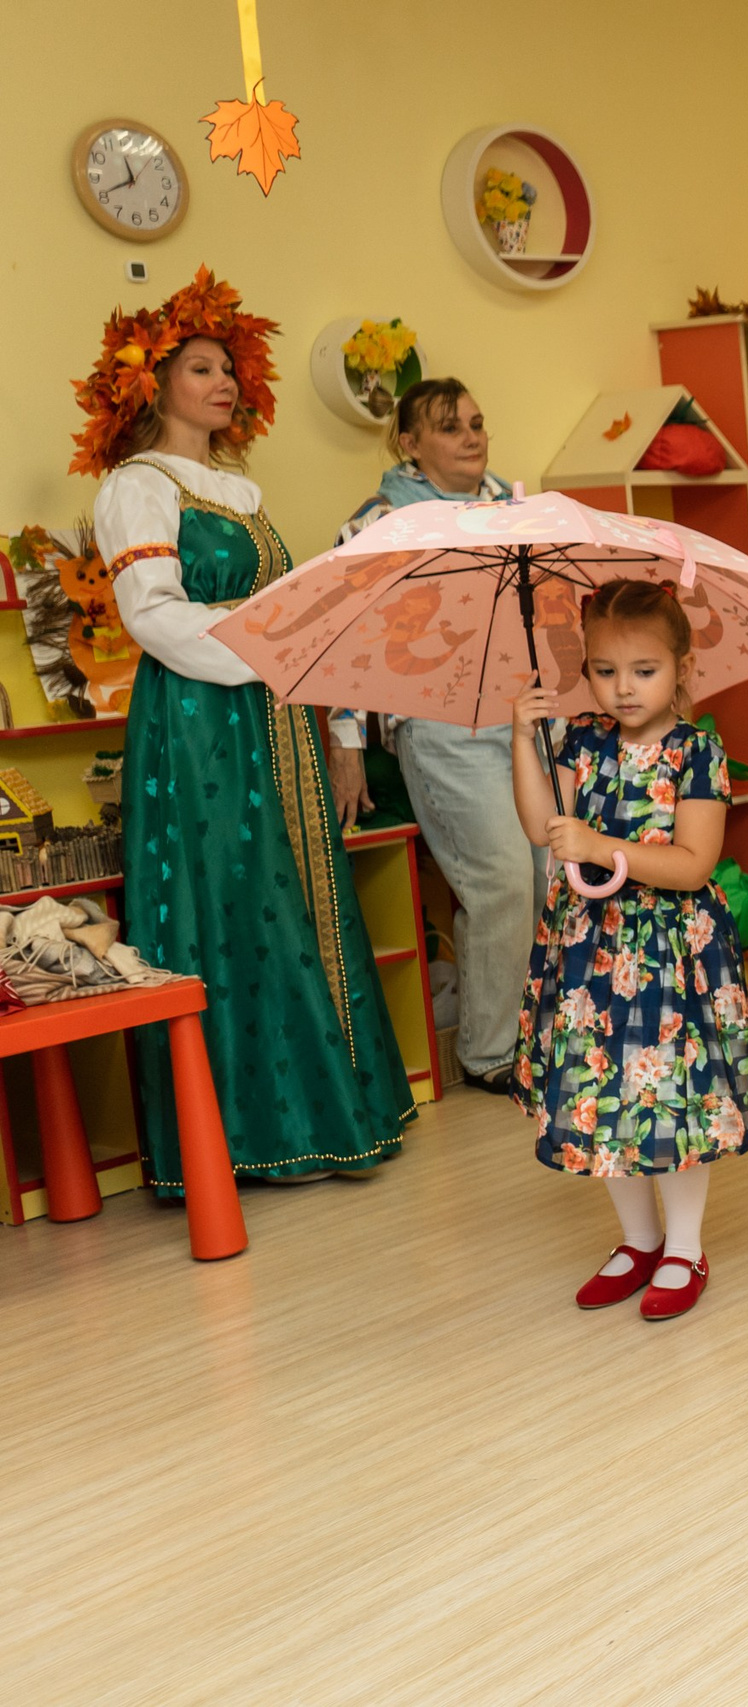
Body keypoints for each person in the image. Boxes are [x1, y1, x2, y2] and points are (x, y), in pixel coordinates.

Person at [77, 268, 414, 1191]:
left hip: (274, 715)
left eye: (229, 368)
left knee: (296, 892)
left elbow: (286, 610)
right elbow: (151, 613)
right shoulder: (136, 487)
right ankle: (259, 1133)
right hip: (199, 723)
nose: (221, 382)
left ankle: (328, 1114)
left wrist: (332, 720)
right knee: (234, 897)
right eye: (198, 367)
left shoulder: (241, 489)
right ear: (151, 383)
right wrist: (269, 657)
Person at [511, 580, 748, 1322]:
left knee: (672, 1101)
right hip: (591, 950)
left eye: (644, 670)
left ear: (683, 667)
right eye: (604, 670)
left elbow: (692, 863)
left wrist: (600, 845)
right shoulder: (580, 740)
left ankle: (684, 1246)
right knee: (603, 1096)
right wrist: (523, 740)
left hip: (669, 954)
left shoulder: (696, 751)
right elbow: (539, 825)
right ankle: (639, 1240)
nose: (622, 688)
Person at [337, 378, 538, 1094]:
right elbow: (348, 640)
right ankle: (489, 1053)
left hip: (522, 717)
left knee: (550, 876)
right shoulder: (381, 522)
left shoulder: (509, 509)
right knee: (503, 881)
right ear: (410, 444)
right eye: (450, 427)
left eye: (478, 422)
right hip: (442, 725)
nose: (472, 436)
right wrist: (346, 742)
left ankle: (544, 1036)